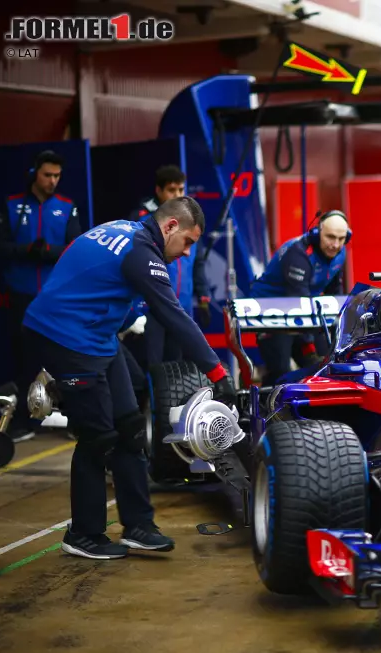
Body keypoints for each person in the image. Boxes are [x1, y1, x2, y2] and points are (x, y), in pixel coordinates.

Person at [21, 196, 237, 560]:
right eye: (187, 241)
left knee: (131, 428)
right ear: (170, 226)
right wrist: (218, 371)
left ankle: (139, 526)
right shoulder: (142, 252)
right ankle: (83, 534)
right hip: (64, 337)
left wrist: (117, 321)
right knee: (98, 437)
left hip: (98, 338)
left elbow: (86, 276)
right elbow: (174, 316)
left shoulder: (121, 229)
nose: (187, 253)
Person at [0, 150, 82, 442]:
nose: (53, 181)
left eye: (57, 176)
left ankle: (73, 418)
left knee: (65, 357)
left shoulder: (67, 207)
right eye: (47, 175)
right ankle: (25, 421)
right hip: (22, 295)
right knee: (25, 358)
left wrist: (47, 253)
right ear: (34, 174)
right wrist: (27, 251)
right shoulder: (12, 205)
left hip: (56, 296)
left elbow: (76, 248)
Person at [249, 209, 350, 385]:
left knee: (325, 365)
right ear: (317, 233)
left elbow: (335, 295)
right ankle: (265, 405)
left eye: (341, 239)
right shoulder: (298, 253)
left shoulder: (340, 253)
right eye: (330, 237)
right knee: (280, 372)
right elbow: (299, 302)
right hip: (270, 312)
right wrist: (308, 343)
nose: (335, 244)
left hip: (305, 309)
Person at [124, 165, 210, 368]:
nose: (177, 195)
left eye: (181, 190)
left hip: (181, 308)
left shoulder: (190, 221)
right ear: (159, 190)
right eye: (172, 190)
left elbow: (197, 264)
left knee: (176, 368)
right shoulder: (142, 220)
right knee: (152, 369)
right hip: (151, 309)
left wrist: (204, 299)